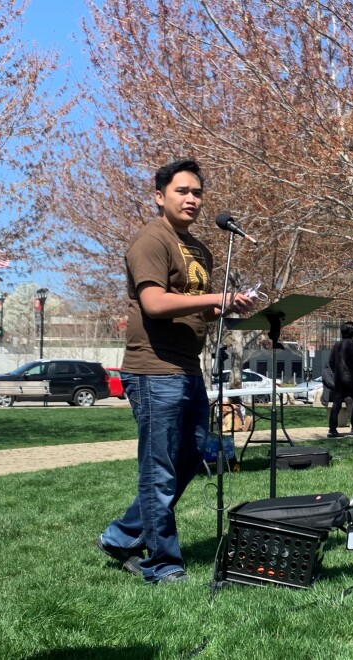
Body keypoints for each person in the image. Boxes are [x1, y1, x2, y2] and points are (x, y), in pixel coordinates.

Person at [97, 159, 254, 584]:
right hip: (153, 369)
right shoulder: (151, 241)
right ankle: (162, 563)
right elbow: (155, 303)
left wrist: (229, 305)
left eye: (197, 193)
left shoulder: (199, 249)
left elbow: (199, 304)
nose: (192, 199)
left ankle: (121, 534)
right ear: (159, 195)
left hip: (187, 369)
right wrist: (212, 299)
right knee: (159, 470)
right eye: (182, 191)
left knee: (189, 460)